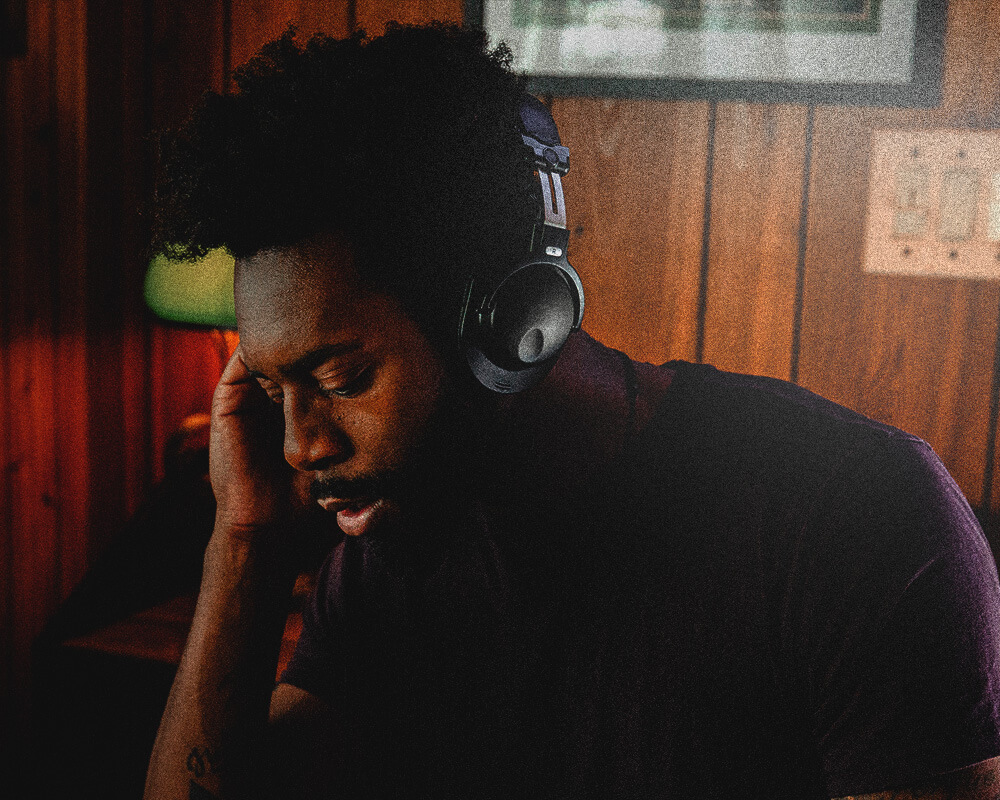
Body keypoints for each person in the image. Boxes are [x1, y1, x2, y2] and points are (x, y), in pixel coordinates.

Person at [141, 23, 1000, 800]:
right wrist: (244, 542)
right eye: (267, 388)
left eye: (344, 376)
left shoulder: (857, 518)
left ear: (517, 323)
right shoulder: (388, 554)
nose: (300, 445)